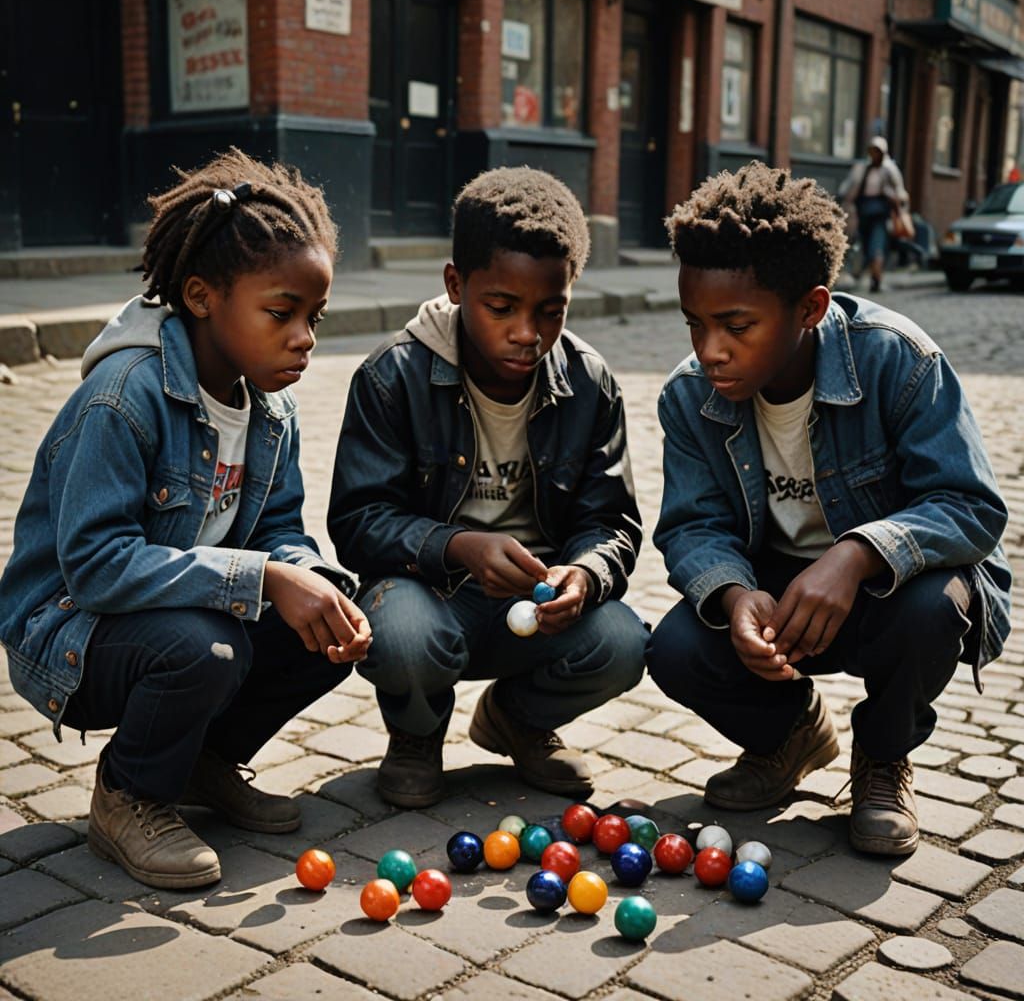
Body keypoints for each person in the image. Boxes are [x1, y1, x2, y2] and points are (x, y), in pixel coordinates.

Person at [0, 148, 372, 889]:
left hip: (182, 613)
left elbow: (279, 528)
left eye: (314, 317)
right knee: (207, 649)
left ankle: (202, 761)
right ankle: (130, 796)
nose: (305, 337)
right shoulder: (123, 399)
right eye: (282, 313)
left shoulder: (272, 408)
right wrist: (263, 577)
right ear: (202, 296)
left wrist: (308, 578)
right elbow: (98, 566)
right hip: (71, 630)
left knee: (325, 622)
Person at [645, 161, 1011, 856]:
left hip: (888, 595)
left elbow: (971, 507)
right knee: (675, 645)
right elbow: (694, 526)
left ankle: (883, 756)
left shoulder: (899, 361)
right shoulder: (688, 397)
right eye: (695, 322)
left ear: (810, 308)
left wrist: (859, 553)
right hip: (782, 598)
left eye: (737, 324)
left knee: (937, 605)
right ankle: (788, 736)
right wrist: (732, 595)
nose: (710, 349)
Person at [328, 167, 649, 808]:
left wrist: (584, 574)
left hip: (532, 603)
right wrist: (458, 546)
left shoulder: (588, 383)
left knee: (623, 643)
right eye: (501, 308)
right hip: (429, 592)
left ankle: (520, 720)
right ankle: (417, 736)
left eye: (550, 311)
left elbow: (612, 520)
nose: (527, 333)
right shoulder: (393, 377)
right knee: (404, 633)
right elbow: (357, 521)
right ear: (456, 285)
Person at [839, 135, 908, 292]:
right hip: (862, 211)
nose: (874, 155)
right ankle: (864, 274)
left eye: (877, 151)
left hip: (880, 213)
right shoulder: (862, 168)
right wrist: (845, 200)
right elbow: (849, 186)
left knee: (876, 245)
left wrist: (896, 203)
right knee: (862, 242)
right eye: (872, 151)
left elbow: (900, 193)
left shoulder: (889, 170)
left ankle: (876, 279)